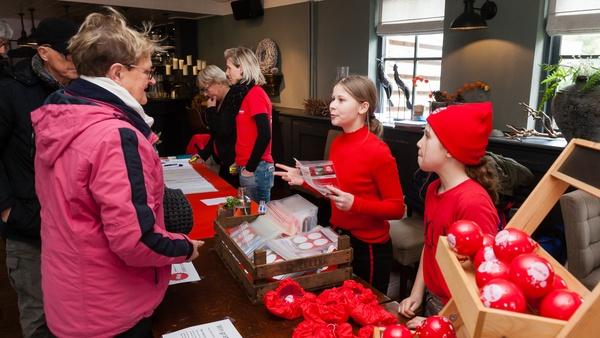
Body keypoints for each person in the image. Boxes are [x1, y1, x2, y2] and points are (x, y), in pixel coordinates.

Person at [30, 8, 203, 337]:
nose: (151, 80)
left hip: (73, 295)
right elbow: (135, 240)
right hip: (110, 307)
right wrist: (184, 247)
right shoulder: (115, 135)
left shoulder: (59, 114)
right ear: (118, 73)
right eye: (147, 72)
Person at [275, 75, 405, 293]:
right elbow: (334, 191)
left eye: (341, 100)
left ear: (363, 107)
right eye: (333, 99)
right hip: (338, 237)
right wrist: (304, 181)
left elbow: (397, 208)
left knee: (367, 307)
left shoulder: (377, 151)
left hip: (369, 248)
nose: (332, 105)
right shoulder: (338, 142)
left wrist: (356, 204)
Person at [0, 17, 79, 338]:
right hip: (29, 227)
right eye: (68, 55)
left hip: (73, 226)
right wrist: (8, 209)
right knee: (39, 314)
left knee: (75, 311)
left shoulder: (81, 90)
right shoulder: (10, 92)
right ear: (44, 52)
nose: (76, 61)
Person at [398, 102, 500, 327]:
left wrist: (446, 322)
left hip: (460, 313)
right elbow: (430, 243)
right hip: (433, 300)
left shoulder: (473, 203)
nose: (418, 143)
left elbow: (482, 280)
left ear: (450, 149)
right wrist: (417, 293)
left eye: (427, 136)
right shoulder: (434, 189)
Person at [224, 47, 274, 202]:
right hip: (250, 167)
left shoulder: (255, 94)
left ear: (242, 69)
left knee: (257, 221)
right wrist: (240, 162)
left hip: (257, 169)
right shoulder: (247, 94)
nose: (226, 73)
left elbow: (265, 134)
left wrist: (249, 168)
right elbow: (248, 134)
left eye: (229, 68)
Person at [196, 65, 252, 187]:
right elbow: (216, 135)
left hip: (235, 163)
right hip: (226, 162)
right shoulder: (221, 100)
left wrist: (210, 111)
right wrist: (202, 155)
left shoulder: (233, 95)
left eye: (206, 89)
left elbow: (223, 130)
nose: (205, 94)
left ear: (217, 82)